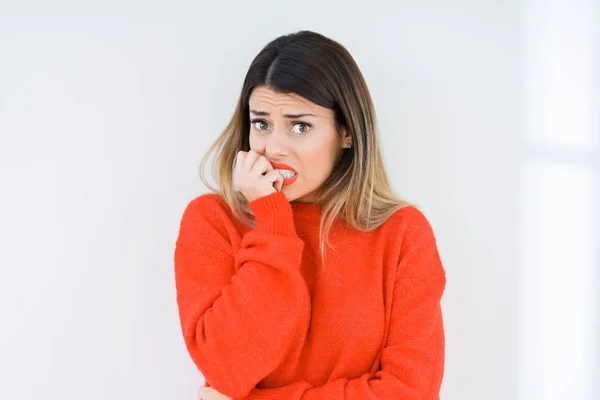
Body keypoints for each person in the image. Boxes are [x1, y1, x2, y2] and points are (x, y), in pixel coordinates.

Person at [174, 30, 447, 400]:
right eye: (261, 123)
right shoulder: (213, 221)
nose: (274, 147)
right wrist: (271, 220)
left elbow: (410, 391)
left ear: (346, 132)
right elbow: (226, 367)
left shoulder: (401, 232)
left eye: (300, 126)